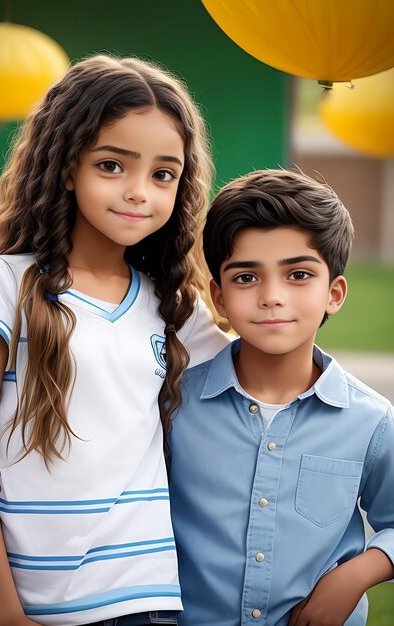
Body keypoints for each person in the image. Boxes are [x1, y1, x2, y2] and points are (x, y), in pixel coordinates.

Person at [0, 54, 230, 626]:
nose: (139, 192)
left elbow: (251, 385)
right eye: (113, 165)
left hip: (144, 594)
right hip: (23, 601)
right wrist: (7, 613)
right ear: (67, 167)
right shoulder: (2, 285)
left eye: (163, 174)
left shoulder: (175, 305)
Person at [167, 169, 394, 626]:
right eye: (247, 277)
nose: (272, 297)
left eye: (298, 274)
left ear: (334, 293)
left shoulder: (371, 420)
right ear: (220, 298)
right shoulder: (173, 407)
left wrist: (352, 578)